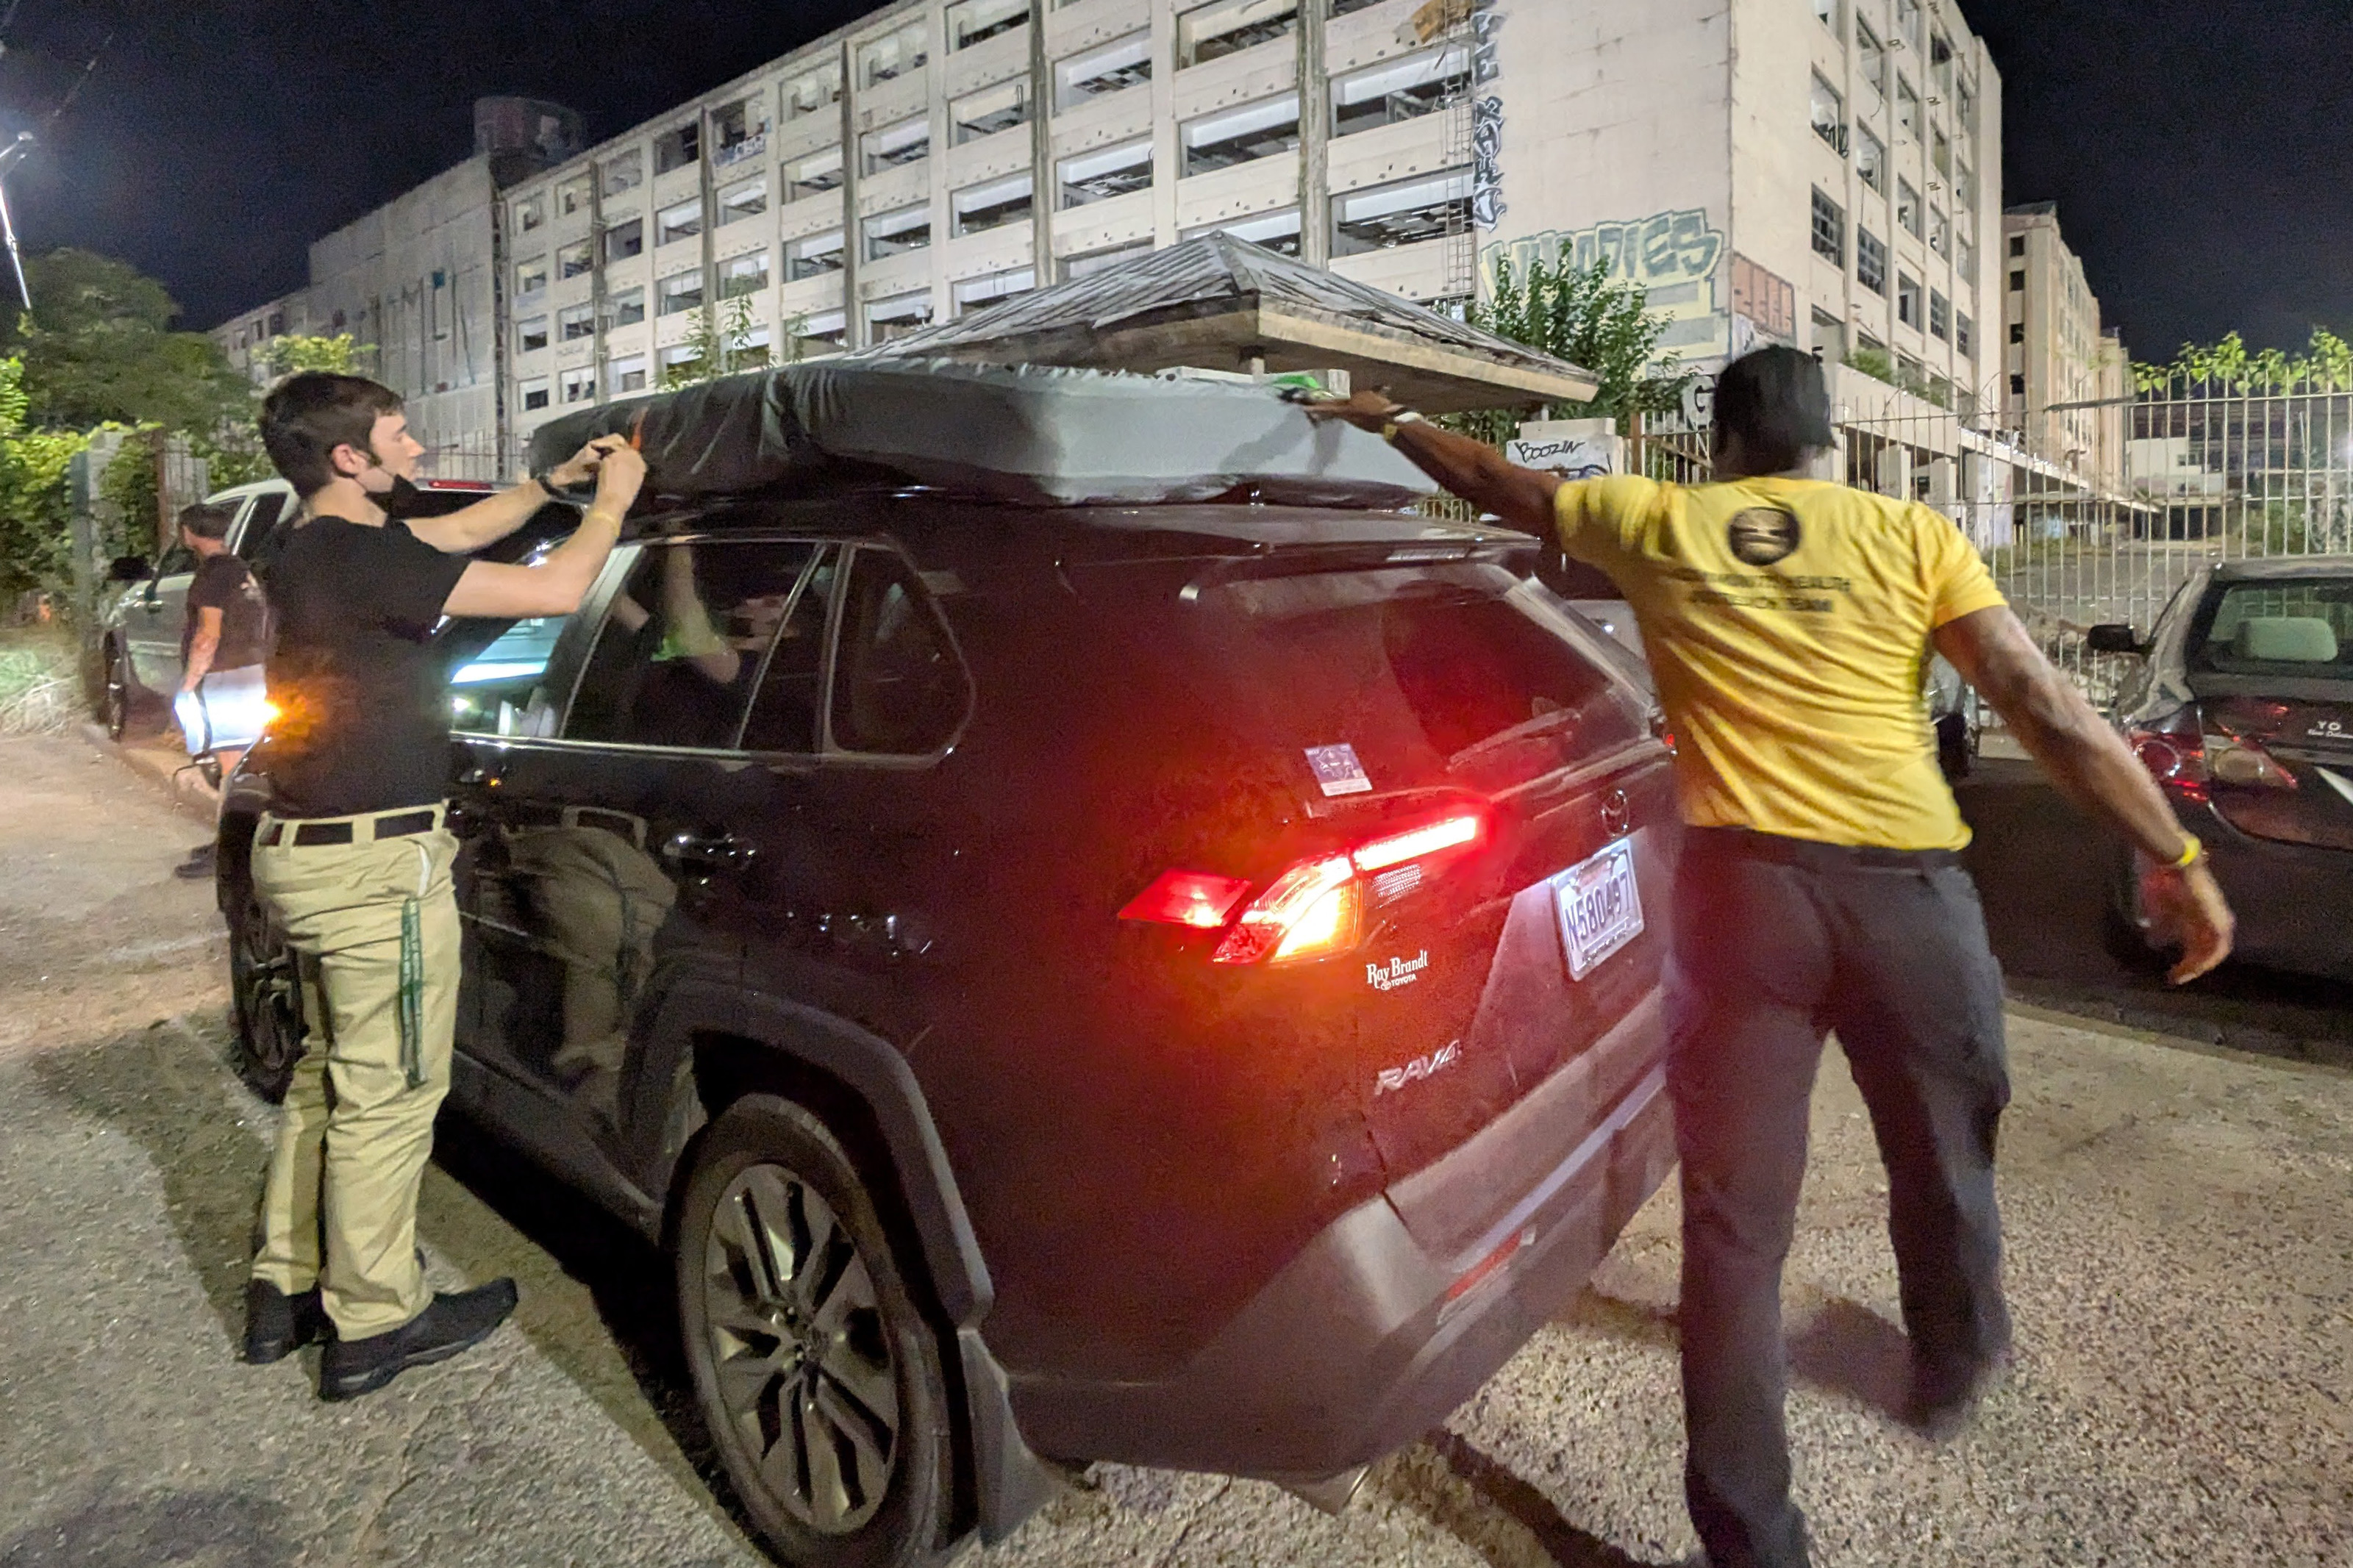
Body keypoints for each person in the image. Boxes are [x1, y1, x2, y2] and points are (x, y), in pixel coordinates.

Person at [1310, 348, 2232, 1568]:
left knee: (1737, 1239)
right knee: (1945, 1157)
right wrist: (2174, 853)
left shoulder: (1664, 520)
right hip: (1909, 900)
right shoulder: (1911, 534)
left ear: (1723, 436)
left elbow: (1501, 481)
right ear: (1825, 440)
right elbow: (2041, 701)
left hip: (1742, 904)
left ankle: (1755, 1542)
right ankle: (1951, 1360)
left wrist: (1396, 419)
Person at [243, 370, 646, 1401]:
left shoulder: (312, 545)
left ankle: (284, 1286)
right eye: (401, 434)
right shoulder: (361, 555)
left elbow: (454, 538)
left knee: (330, 1073)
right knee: (390, 1097)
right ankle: (377, 1321)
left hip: (308, 850)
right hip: (376, 866)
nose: (417, 448)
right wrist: (610, 507)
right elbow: (556, 591)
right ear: (350, 459)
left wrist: (545, 484)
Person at [170, 500, 274, 880]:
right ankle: (232, 846)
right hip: (251, 671)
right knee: (239, 762)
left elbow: (208, 633)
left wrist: (189, 684)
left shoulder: (213, 575)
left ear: (188, 534)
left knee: (232, 767)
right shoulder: (242, 571)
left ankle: (230, 852)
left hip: (227, 678)